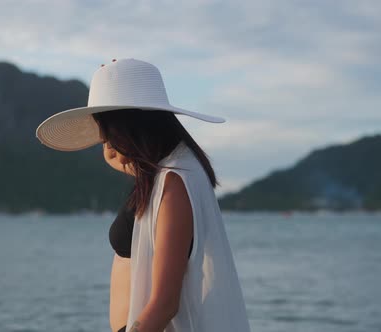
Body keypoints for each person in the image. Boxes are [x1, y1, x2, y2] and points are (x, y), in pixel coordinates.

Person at [36, 58, 250, 332]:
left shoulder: (175, 184)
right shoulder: (163, 174)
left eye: (108, 135)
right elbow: (128, 160)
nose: (107, 147)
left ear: (130, 127)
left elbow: (165, 303)